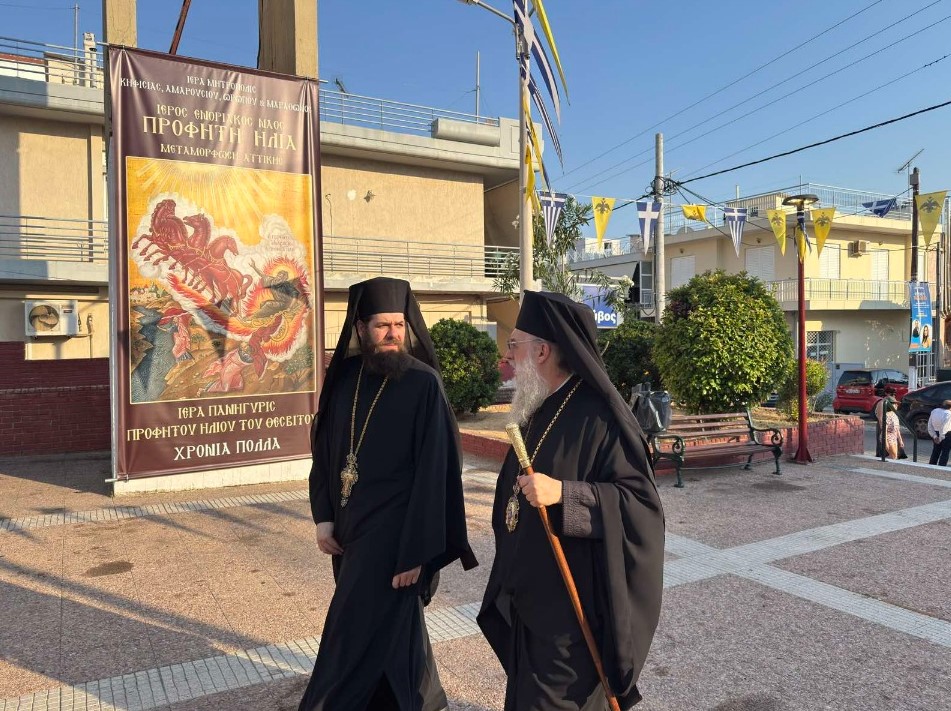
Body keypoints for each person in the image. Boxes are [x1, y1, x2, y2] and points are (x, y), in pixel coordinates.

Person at [478, 291, 666, 710]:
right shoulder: (537, 406)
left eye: (514, 344)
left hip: (572, 614)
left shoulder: (601, 416)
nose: (507, 355)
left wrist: (564, 493)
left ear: (542, 351)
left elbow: (641, 507)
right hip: (529, 601)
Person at [299, 277, 477, 711]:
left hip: (396, 535)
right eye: (382, 326)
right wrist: (324, 515)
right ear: (361, 328)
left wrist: (416, 552)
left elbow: (438, 474)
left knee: (349, 629)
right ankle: (412, 699)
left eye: (399, 324)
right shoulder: (344, 380)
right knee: (394, 629)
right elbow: (324, 452)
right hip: (348, 529)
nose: (393, 333)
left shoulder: (423, 384)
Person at [927, 399, 951, 466]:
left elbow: (930, 425)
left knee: (935, 451)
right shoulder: (948, 414)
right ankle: (941, 467)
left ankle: (931, 465)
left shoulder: (934, 411)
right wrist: (940, 438)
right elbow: (944, 427)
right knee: (945, 452)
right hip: (946, 434)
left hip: (936, 433)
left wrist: (934, 436)